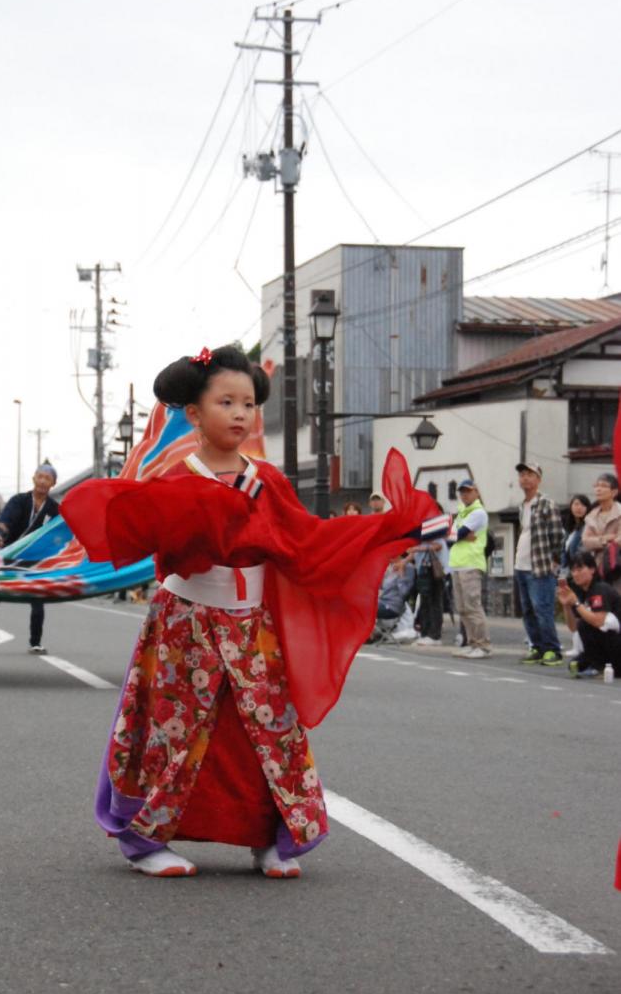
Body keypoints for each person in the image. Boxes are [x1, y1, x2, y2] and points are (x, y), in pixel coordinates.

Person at [61, 344, 439, 879]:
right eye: (226, 402)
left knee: (264, 730)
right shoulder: (174, 477)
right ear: (193, 413)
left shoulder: (269, 480)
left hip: (250, 623)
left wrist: (395, 529)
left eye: (247, 404)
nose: (240, 414)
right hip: (185, 621)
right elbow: (149, 542)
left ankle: (269, 837)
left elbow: (311, 541)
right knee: (177, 729)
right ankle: (146, 841)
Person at [0, 463, 60, 655]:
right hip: (10, 556)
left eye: (47, 478)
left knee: (37, 601)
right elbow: (6, 521)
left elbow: (56, 536)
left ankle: (35, 642)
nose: (42, 481)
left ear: (53, 484)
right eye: (40, 476)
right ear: (33, 478)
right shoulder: (19, 500)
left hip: (34, 561)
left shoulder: (53, 509)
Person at [513, 461, 565, 666]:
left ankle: (553, 649)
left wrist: (554, 561)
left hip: (540, 566)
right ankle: (536, 646)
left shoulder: (546, 503)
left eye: (530, 474)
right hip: (521, 564)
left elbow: (557, 535)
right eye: (522, 474)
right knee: (527, 610)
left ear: (538, 479)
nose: (525, 478)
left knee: (542, 608)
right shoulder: (521, 505)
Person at [556, 550, 621, 679]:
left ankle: (601, 666)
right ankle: (596, 664)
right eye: (573, 570)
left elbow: (599, 621)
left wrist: (575, 602)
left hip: (616, 643)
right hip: (606, 644)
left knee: (585, 624)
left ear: (592, 569)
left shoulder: (600, 589)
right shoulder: (582, 593)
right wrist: (567, 604)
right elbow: (573, 627)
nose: (576, 574)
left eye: (580, 569)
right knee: (575, 665)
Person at [449, 479, 490, 659]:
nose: (464, 494)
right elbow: (452, 536)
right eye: (462, 492)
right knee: (462, 607)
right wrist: (460, 535)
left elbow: (457, 534)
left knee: (473, 606)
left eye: (468, 491)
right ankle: (471, 642)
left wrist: (460, 535)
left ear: (476, 493)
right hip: (458, 564)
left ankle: (482, 644)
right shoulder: (461, 513)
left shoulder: (478, 512)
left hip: (471, 564)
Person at [408, 502, 448, 645]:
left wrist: (417, 549)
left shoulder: (437, 527)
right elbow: (415, 549)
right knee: (425, 602)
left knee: (435, 601)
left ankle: (434, 635)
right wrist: (404, 561)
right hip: (423, 568)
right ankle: (425, 633)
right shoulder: (423, 527)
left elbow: (438, 545)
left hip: (434, 569)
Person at [562, 493, 592, 658]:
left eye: (582, 504)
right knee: (573, 609)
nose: (578, 508)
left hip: (582, 573)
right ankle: (577, 644)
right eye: (575, 504)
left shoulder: (587, 526)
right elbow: (564, 552)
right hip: (570, 574)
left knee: (581, 608)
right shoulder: (570, 529)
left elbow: (582, 552)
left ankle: (582, 646)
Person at [581, 473, 621, 588]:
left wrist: (597, 542)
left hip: (618, 566)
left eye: (603, 486)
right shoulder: (591, 516)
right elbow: (586, 542)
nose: (598, 489)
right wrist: (605, 540)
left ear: (614, 492)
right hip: (597, 568)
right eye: (596, 486)